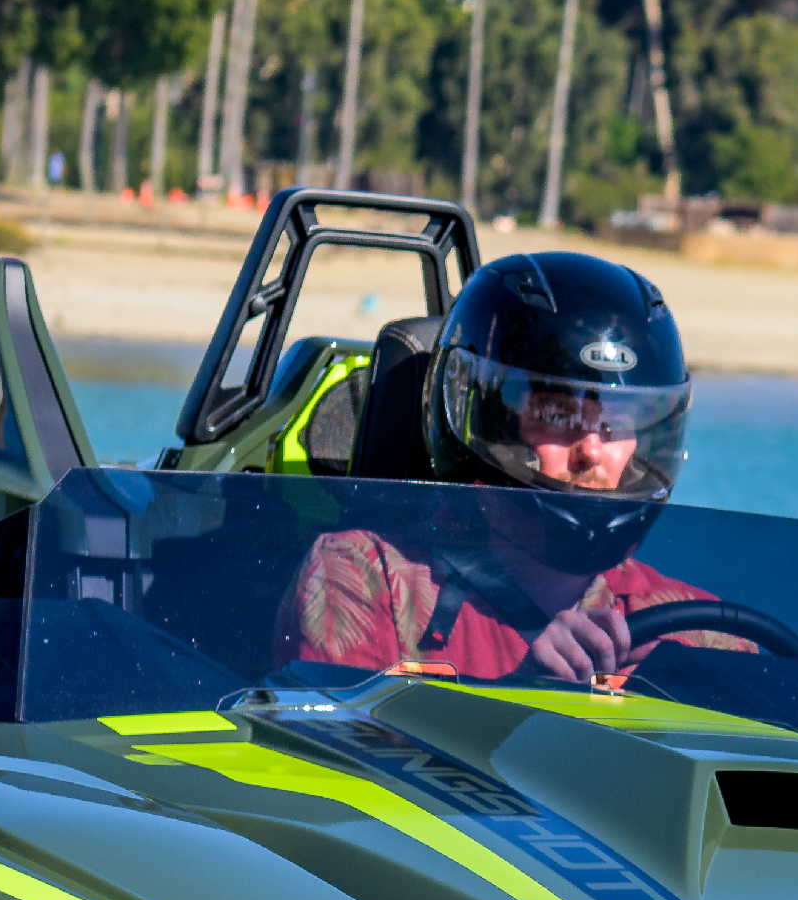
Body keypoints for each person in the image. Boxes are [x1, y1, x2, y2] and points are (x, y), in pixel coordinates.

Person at [288, 252, 718, 687]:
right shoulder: (367, 577)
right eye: (558, 417)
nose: (591, 449)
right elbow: (337, 743)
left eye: (616, 423)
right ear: (493, 425)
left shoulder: (697, 631)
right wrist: (527, 696)